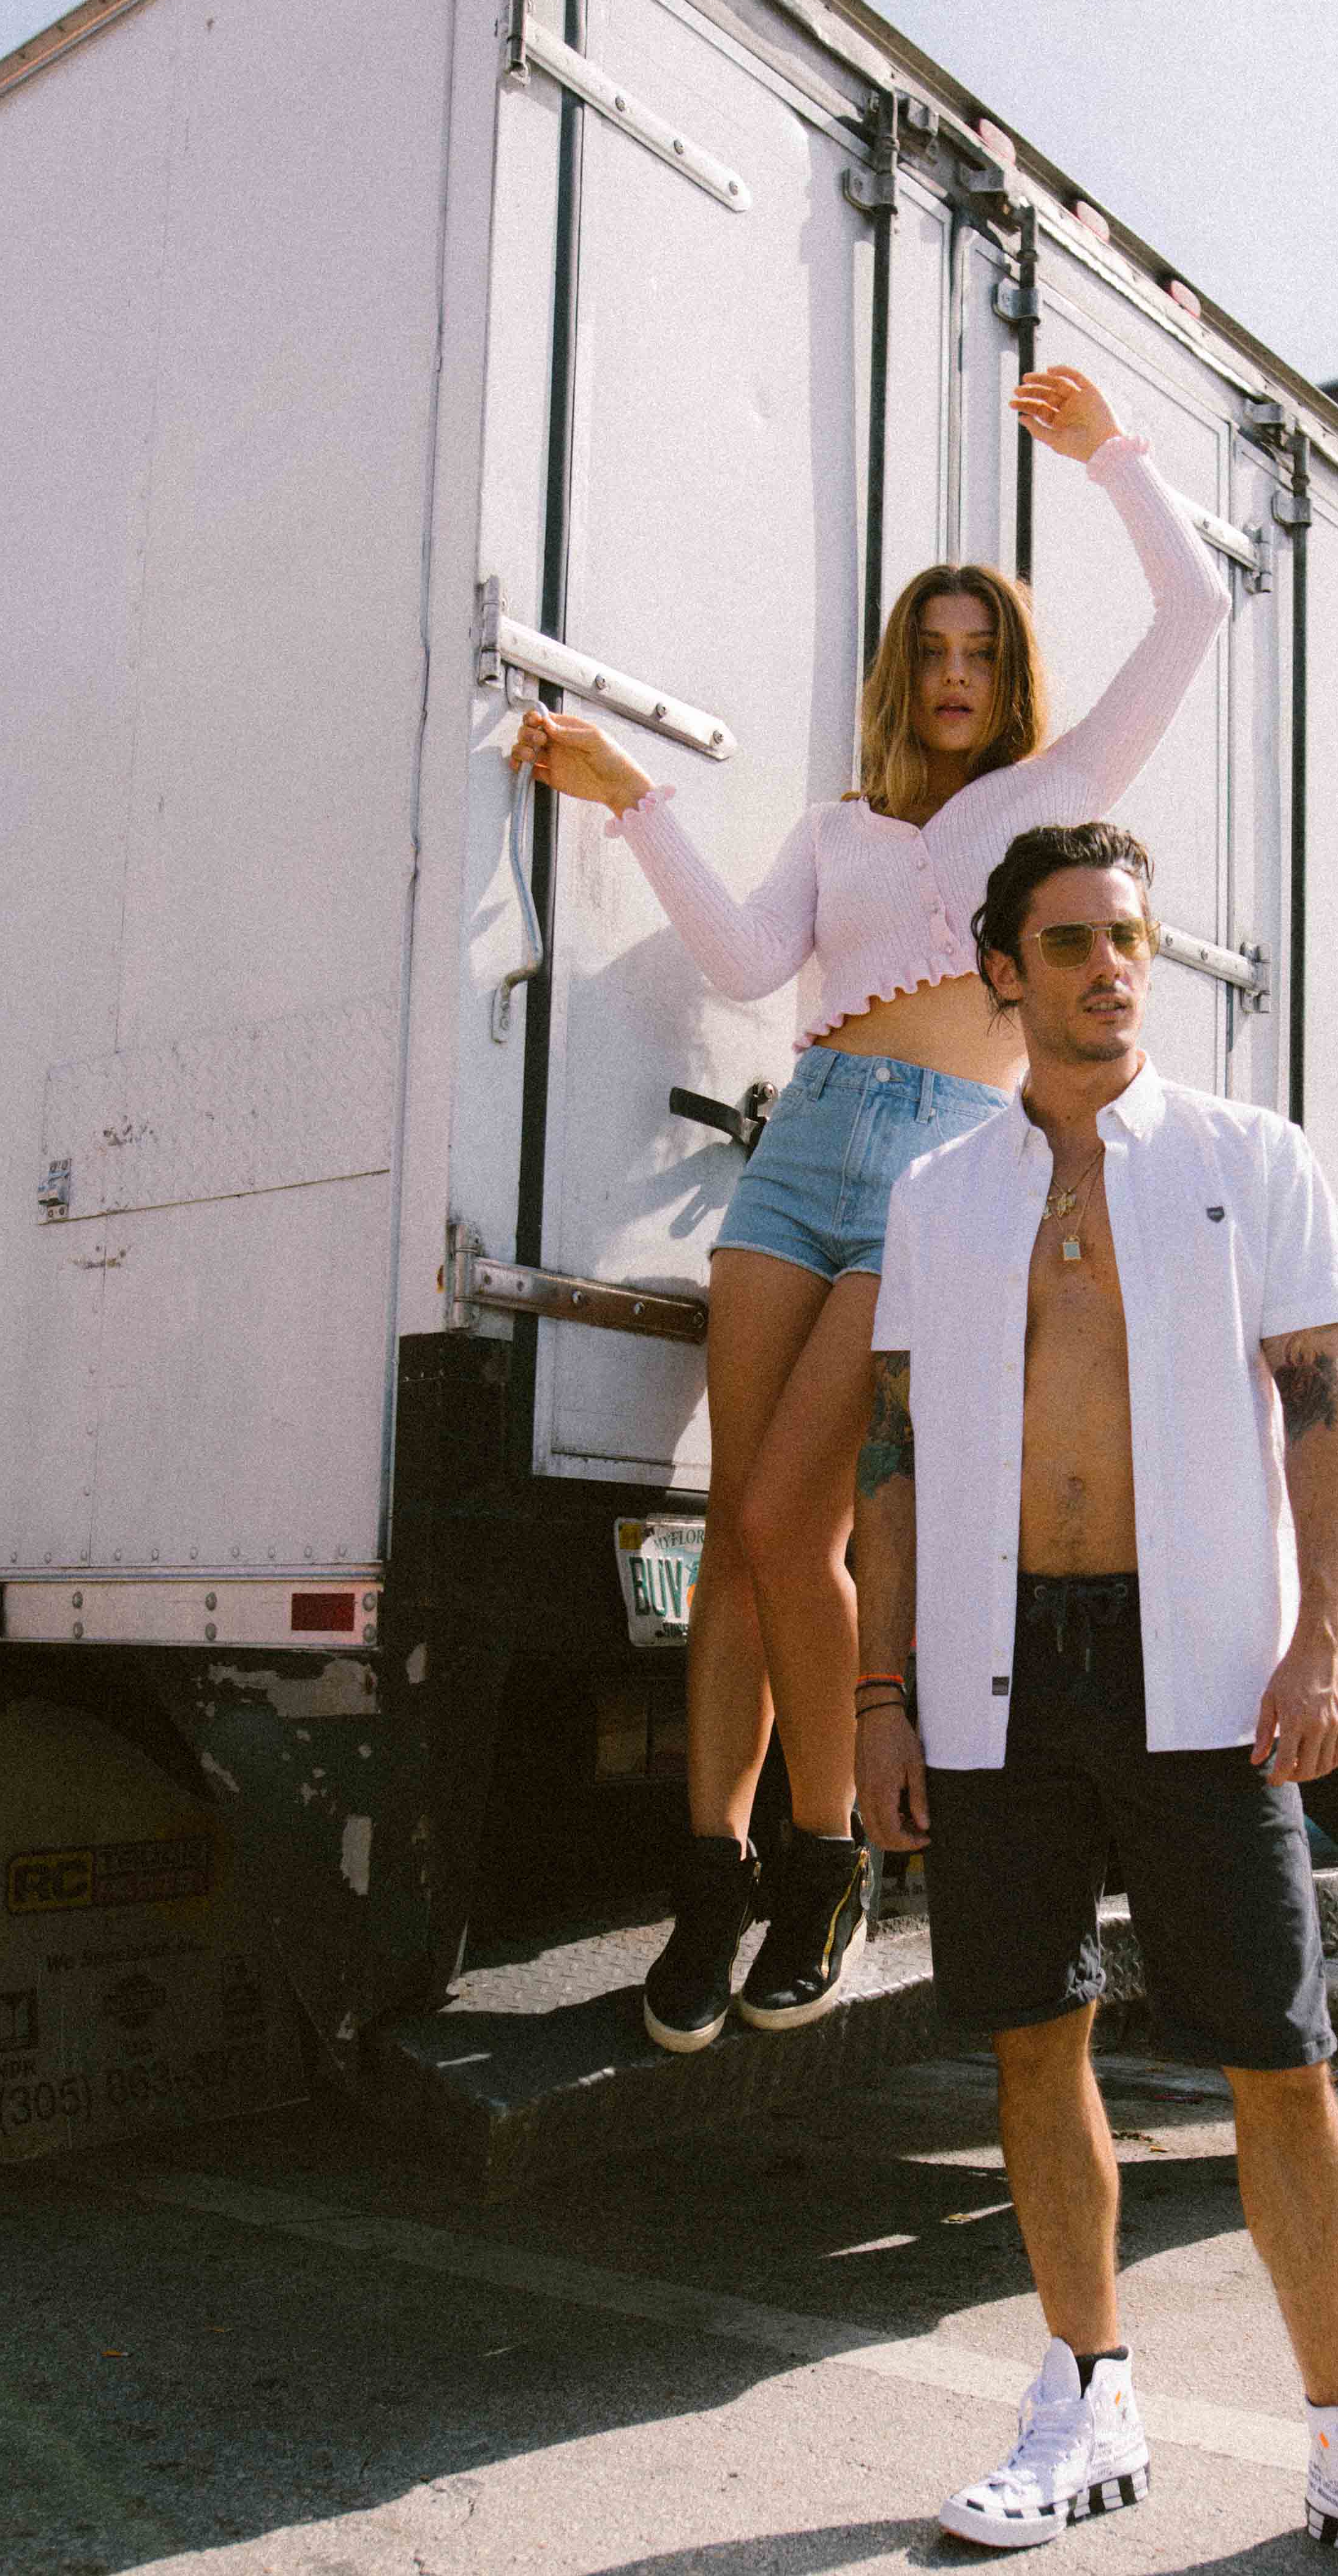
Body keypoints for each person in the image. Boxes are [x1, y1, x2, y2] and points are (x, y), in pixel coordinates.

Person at [851, 821, 1338, 2576]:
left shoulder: (1249, 1157)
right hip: (999, 1668)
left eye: (1130, 939)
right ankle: (1086, 2398)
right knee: (1032, 2036)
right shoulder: (942, 1195)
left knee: (1278, 2056)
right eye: (1073, 941)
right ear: (1004, 971)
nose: (1111, 969)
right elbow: (896, 1454)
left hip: (1205, 1662)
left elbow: (1324, 1408)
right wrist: (878, 1693)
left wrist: (1321, 1641)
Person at [511, 373, 1228, 2059]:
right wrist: (632, 796)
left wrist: (1114, 458)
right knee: (733, 1542)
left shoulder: (1052, 792)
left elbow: (1196, 612)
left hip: (940, 1173)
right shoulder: (836, 827)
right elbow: (749, 965)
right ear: (902, 674)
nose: (957, 677)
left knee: (793, 1523)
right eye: (934, 653)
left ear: (1012, 675)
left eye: (983, 652)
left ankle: (824, 1862)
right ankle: (711, 1879)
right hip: (801, 1146)